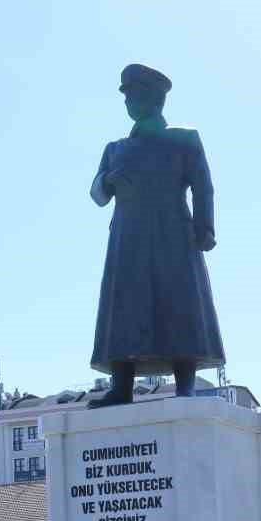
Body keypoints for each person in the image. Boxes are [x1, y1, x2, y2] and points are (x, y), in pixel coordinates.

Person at [88, 63, 225, 407]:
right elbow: (96, 193)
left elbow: (203, 185)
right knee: (124, 305)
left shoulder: (183, 138)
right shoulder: (115, 148)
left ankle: (185, 385)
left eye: (135, 95)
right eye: (127, 97)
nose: (130, 103)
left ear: (156, 99)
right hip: (128, 237)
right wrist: (109, 180)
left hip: (172, 232)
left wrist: (205, 227)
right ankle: (121, 387)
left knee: (180, 301)